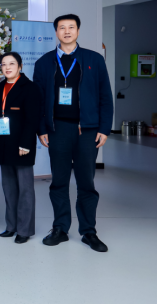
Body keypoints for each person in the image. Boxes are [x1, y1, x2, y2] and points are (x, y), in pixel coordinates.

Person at [34, 14, 113, 253]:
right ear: (56, 32)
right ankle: (60, 228)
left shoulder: (94, 59)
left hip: (87, 130)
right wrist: (41, 128)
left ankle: (89, 231)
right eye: (62, 27)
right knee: (59, 181)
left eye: (71, 27)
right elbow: (38, 101)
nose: (67, 31)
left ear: (78, 30)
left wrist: (104, 128)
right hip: (58, 129)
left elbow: (105, 96)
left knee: (86, 182)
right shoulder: (44, 62)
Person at [0, 52, 42, 245]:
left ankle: (24, 230)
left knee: (25, 190)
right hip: (3, 144)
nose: (7, 68)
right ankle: (11, 226)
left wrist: (26, 143)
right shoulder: (0, 87)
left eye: (12, 64)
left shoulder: (30, 88)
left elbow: (33, 119)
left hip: (21, 145)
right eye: (4, 64)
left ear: (20, 66)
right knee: (9, 188)